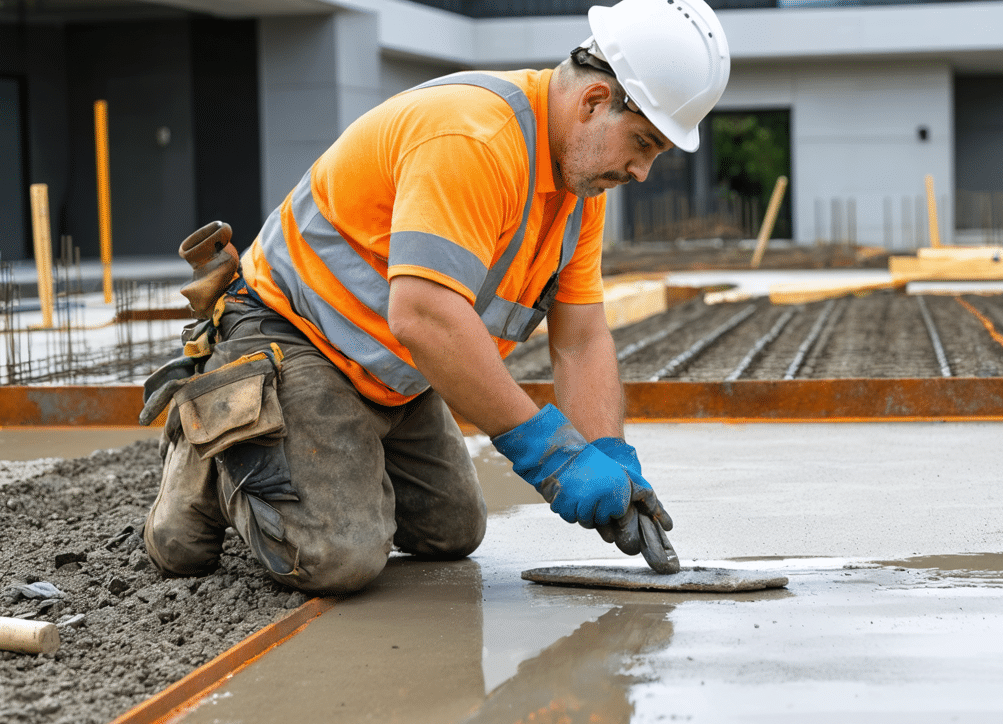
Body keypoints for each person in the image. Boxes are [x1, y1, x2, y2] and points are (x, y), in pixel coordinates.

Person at [142, 0, 730, 594]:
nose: (643, 171)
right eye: (644, 143)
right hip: (293, 336)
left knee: (453, 531)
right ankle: (216, 442)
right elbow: (424, 316)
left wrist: (609, 453)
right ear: (595, 101)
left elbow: (580, 339)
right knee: (336, 556)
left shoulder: (579, 196)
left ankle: (324, 451)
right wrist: (552, 458)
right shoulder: (474, 137)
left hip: (390, 369)